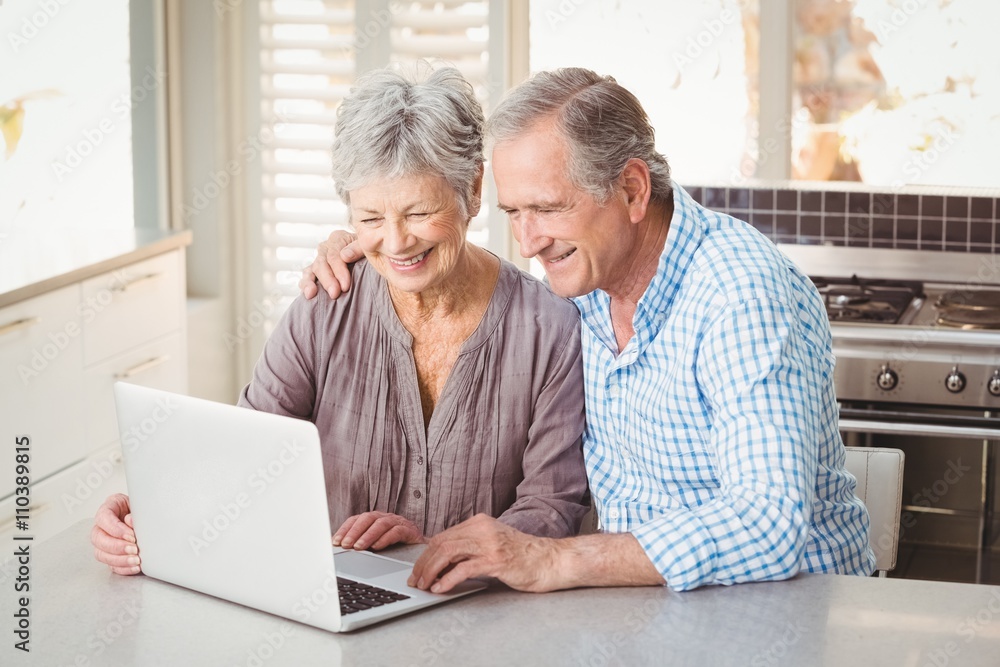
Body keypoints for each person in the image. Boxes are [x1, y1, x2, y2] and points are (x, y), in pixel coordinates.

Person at [301, 67, 875, 593]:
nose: (527, 243)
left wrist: (552, 559)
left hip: (788, 611)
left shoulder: (740, 295)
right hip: (648, 608)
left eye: (548, 209)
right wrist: (362, 247)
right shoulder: (585, 289)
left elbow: (767, 524)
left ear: (631, 190)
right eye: (514, 214)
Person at [90, 66, 590, 577]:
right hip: (329, 601)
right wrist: (150, 512)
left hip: (482, 616)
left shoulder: (551, 330)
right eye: (371, 219)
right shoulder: (325, 304)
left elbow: (552, 509)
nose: (396, 244)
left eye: (418, 214)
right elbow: (243, 456)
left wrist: (432, 546)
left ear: (474, 189)